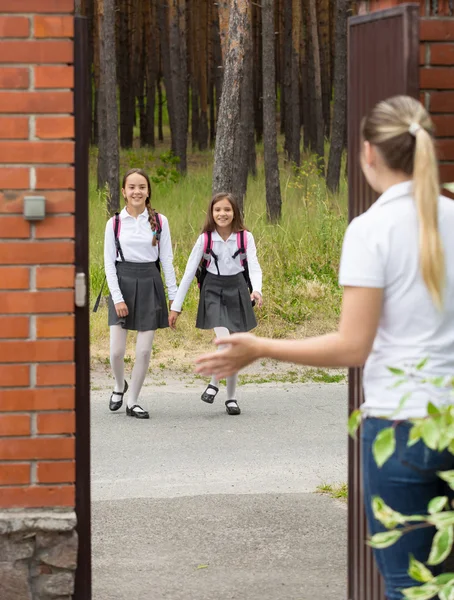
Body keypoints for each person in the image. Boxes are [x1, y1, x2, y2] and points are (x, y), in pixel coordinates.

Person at [195, 96, 454, 598]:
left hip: (400, 430)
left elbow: (353, 346)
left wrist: (262, 347)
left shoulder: (370, 229)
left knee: (409, 587)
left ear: (368, 154)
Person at [169, 192, 263, 416]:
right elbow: (190, 271)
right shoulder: (205, 238)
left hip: (238, 289)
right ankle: (214, 383)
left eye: (227, 210)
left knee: (233, 345)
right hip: (212, 289)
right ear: (211, 213)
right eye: (218, 210)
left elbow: (255, 265)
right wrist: (176, 306)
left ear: (235, 213)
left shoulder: (245, 237)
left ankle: (231, 398)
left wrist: (257, 289)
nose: (222, 214)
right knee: (225, 339)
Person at [104, 168, 177, 420]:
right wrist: (117, 298)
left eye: (142, 187)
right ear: (123, 192)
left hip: (150, 283)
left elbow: (166, 260)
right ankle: (118, 385)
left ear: (148, 192)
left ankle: (133, 401)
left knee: (144, 351)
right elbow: (108, 264)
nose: (137, 191)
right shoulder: (114, 223)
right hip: (122, 283)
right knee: (116, 351)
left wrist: (174, 296)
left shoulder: (160, 221)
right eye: (132, 187)